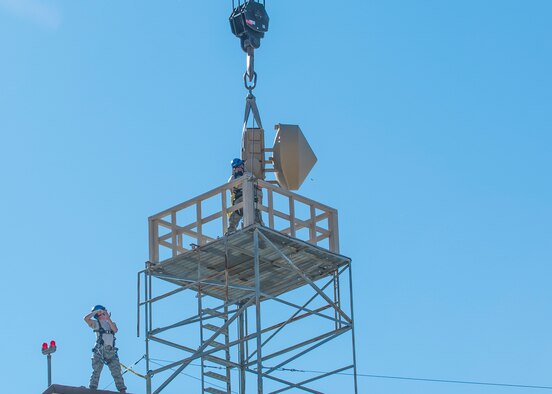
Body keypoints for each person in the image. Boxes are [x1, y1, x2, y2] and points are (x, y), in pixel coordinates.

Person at [84, 305, 127, 393]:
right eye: (102, 312)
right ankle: (92, 388)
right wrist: (96, 312)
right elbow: (86, 319)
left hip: (110, 351)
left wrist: (108, 319)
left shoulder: (111, 323)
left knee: (116, 371)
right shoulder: (95, 323)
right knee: (96, 370)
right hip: (100, 350)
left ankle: (122, 389)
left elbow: (115, 330)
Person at [227, 158, 263, 234]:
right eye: (236, 167)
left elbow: (257, 185)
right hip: (238, 200)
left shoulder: (248, 175)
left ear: (242, 166)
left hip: (249, 198)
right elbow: (230, 188)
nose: (238, 169)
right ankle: (231, 231)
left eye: (240, 166)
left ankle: (258, 226)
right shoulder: (233, 178)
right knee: (234, 217)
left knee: (255, 213)